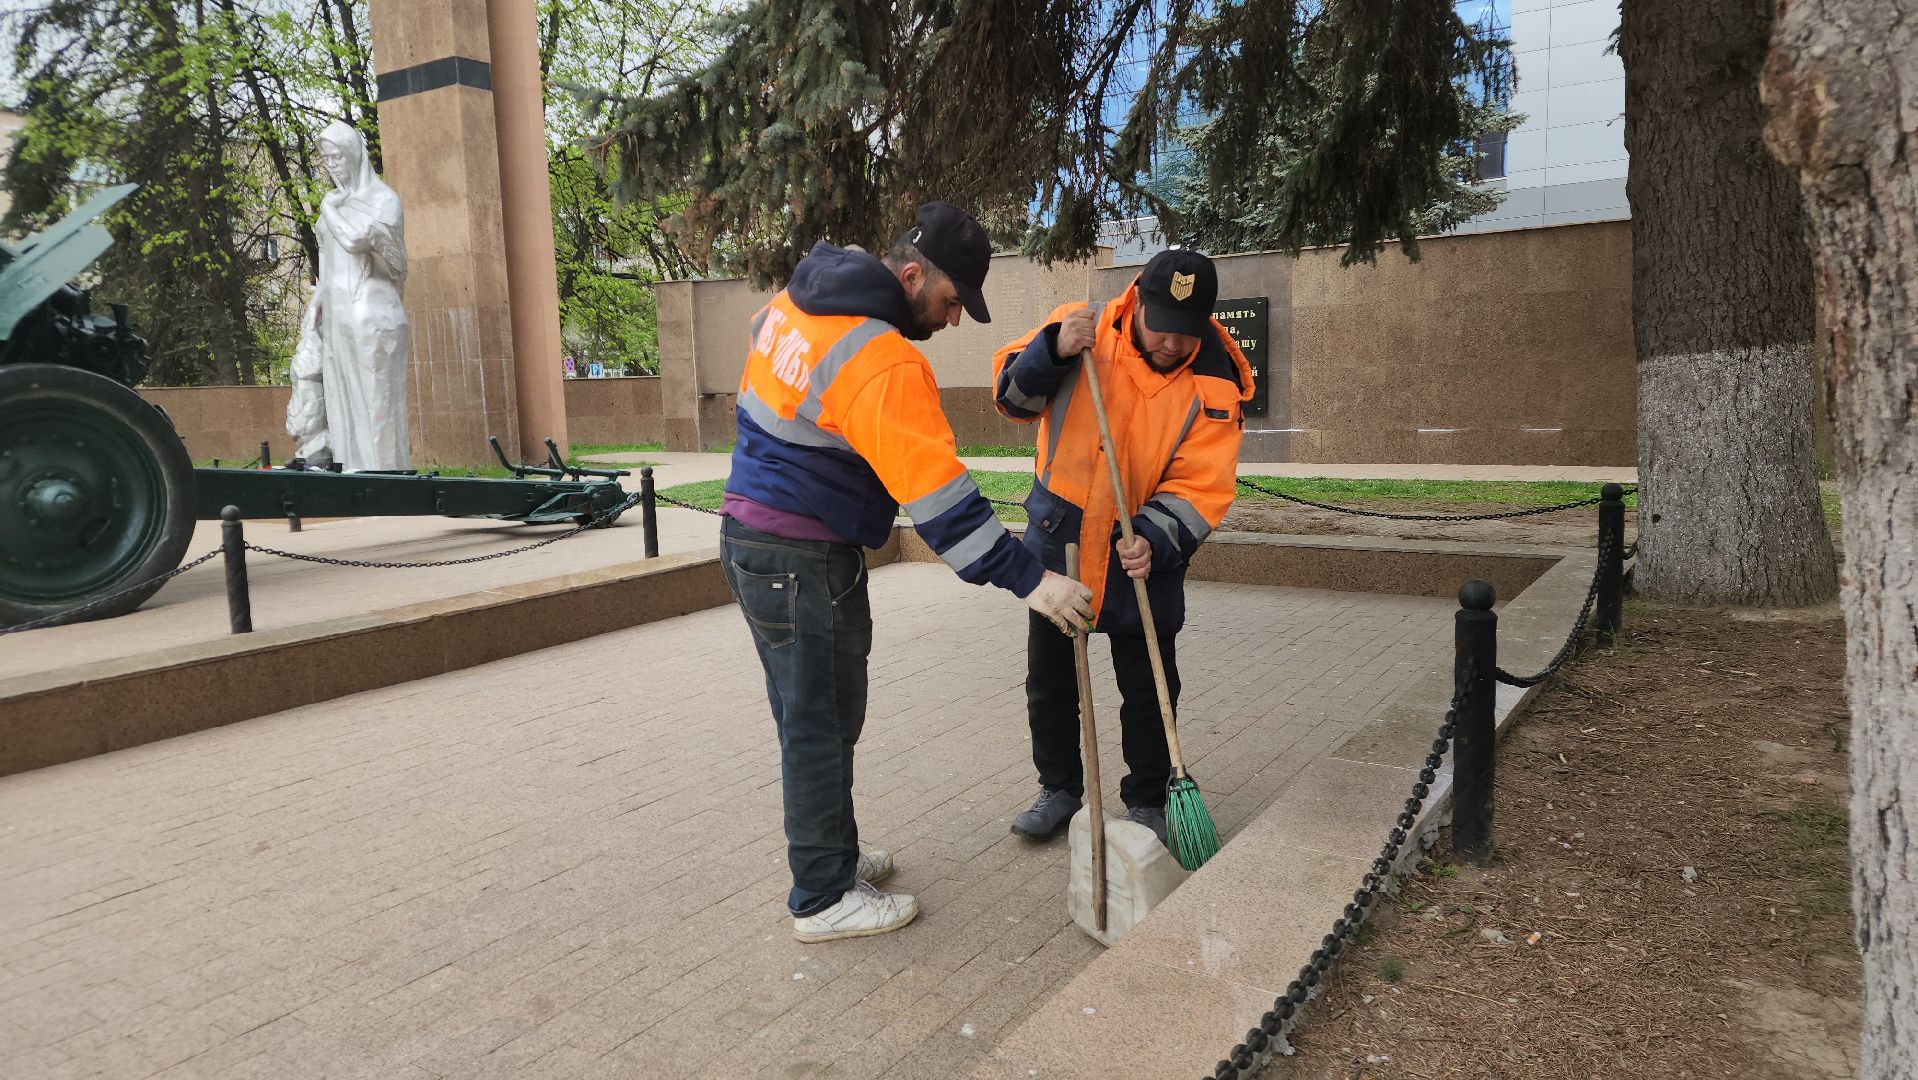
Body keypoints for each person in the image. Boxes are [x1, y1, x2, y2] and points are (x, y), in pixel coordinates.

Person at [720, 202, 1095, 944]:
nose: (954, 321)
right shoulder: (884, 358)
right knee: (820, 722)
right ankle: (824, 895)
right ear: (913, 274)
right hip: (800, 556)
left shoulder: (802, 297)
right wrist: (1035, 582)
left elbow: (767, 367)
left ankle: (831, 849)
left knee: (814, 713)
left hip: (754, 539)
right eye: (953, 302)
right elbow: (944, 506)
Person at [990, 249, 1251, 845]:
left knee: (1150, 681)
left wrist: (1158, 537)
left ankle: (1152, 793)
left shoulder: (1215, 376)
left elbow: (1203, 480)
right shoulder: (1082, 326)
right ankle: (1059, 788)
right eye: (1162, 327)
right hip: (1062, 535)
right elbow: (1011, 401)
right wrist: (1051, 350)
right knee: (1051, 678)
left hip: (1145, 546)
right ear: (1139, 303)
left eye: (1188, 332)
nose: (1172, 343)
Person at [286, 120, 410, 472]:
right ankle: (353, 472)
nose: (332, 164)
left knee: (376, 403)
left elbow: (356, 241)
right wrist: (316, 307)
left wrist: (327, 208)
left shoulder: (382, 199)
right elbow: (326, 261)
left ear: (355, 154)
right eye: (326, 158)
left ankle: (384, 475)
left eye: (337, 156)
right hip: (340, 314)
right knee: (344, 403)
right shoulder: (339, 200)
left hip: (373, 314)